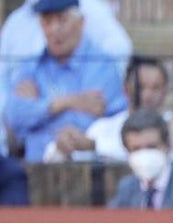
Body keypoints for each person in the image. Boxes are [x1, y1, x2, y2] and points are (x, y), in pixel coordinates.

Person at [3, 0, 127, 162]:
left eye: (62, 20)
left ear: (81, 23)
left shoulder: (101, 65)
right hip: (35, 167)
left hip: (90, 170)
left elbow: (89, 123)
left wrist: (37, 112)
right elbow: (14, 117)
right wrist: (65, 103)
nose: (54, 30)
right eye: (47, 22)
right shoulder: (31, 67)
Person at [43, 55, 169, 162]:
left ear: (165, 91)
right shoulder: (102, 129)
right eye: (141, 87)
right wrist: (62, 146)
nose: (148, 95)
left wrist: (95, 147)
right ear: (125, 89)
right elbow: (54, 158)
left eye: (155, 88)